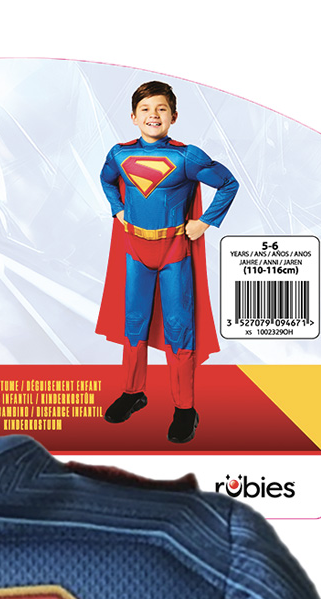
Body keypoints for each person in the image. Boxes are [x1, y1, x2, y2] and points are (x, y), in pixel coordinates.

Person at [95, 82, 238, 443]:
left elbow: (228, 184)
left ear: (174, 116)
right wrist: (117, 209)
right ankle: (133, 393)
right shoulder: (119, 154)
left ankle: (185, 408)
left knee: (179, 329)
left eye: (161, 109)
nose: (153, 115)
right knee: (134, 325)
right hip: (136, 252)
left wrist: (204, 222)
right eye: (145, 109)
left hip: (175, 253)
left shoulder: (187, 156)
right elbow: (106, 179)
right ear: (133, 116)